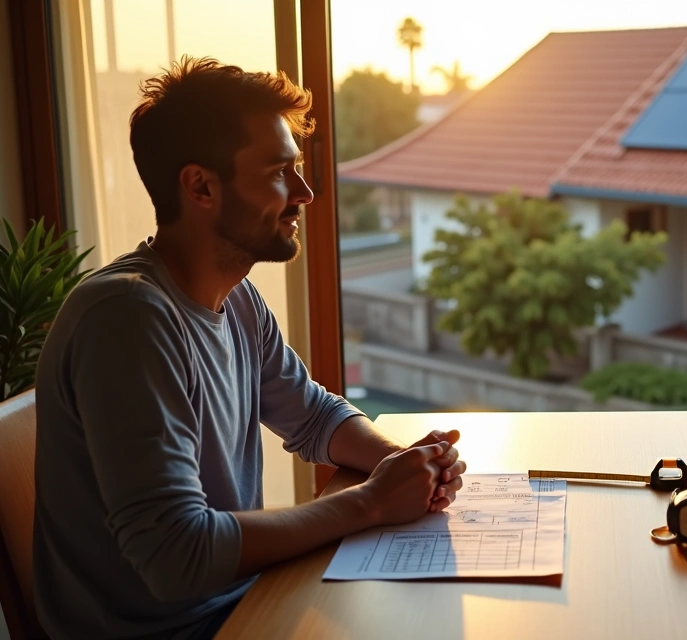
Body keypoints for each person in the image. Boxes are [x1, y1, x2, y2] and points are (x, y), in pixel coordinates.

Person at [33, 56, 467, 639]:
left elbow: (312, 414)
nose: (306, 193)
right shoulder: (126, 318)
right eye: (278, 172)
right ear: (201, 186)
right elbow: (175, 557)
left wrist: (405, 464)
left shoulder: (236, 300)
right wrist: (370, 503)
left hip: (241, 605)